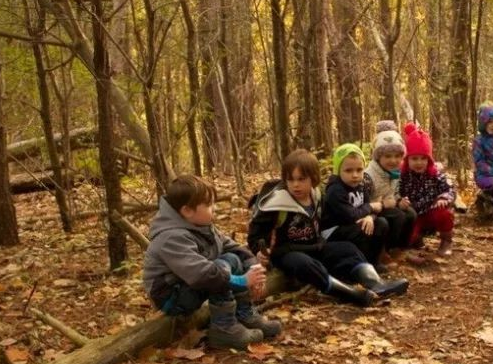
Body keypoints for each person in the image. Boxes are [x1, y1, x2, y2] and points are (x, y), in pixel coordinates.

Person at [248, 149, 408, 307]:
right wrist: (259, 250)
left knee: (347, 249)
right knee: (304, 263)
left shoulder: (316, 196)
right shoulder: (276, 204)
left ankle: (376, 283)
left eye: (301, 179)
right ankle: (349, 294)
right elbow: (256, 234)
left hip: (314, 246)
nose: (295, 185)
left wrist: (368, 215)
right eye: (291, 180)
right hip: (286, 253)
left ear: (313, 179)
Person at [142, 175, 280, 350]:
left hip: (191, 285)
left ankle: (244, 315)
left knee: (232, 259)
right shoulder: (171, 237)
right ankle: (224, 328)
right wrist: (244, 281)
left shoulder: (201, 226)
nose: (214, 208)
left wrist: (254, 267)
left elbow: (234, 248)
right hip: (172, 297)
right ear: (187, 211)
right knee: (219, 268)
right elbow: (202, 275)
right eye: (208, 205)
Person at [321, 143, 394, 268]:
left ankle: (373, 262)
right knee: (362, 230)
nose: (355, 175)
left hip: (353, 225)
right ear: (338, 170)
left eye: (359, 170)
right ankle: (360, 266)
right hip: (334, 230)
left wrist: (370, 217)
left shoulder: (359, 186)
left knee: (381, 223)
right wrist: (371, 208)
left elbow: (368, 207)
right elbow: (351, 215)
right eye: (348, 170)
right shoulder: (335, 190)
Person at [398, 123, 456, 257]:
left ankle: (446, 241)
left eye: (423, 158)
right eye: (414, 159)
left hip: (431, 211)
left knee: (444, 213)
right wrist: (400, 201)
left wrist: (443, 197)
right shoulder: (403, 176)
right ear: (407, 160)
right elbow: (396, 193)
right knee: (410, 238)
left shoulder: (435, 174)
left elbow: (450, 189)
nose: (419, 163)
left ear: (429, 159)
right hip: (414, 215)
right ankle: (416, 240)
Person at [364, 121, 417, 252]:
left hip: (390, 204)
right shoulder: (368, 175)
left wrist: (400, 201)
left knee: (410, 213)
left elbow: (395, 192)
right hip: (374, 210)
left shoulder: (394, 172)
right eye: (387, 156)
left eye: (398, 156)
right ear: (378, 157)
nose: (393, 161)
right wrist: (381, 204)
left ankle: (402, 246)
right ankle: (387, 249)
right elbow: (364, 202)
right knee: (398, 216)